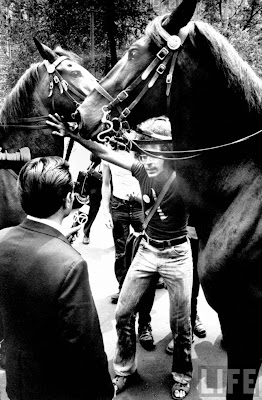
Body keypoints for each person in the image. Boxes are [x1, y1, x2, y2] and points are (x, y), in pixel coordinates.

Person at [47, 114, 193, 400]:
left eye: (156, 154)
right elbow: (104, 152)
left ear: (170, 154)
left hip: (178, 254)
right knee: (123, 312)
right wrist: (72, 135)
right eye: (144, 152)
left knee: (181, 323)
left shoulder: (185, 176)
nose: (148, 160)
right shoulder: (140, 170)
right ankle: (124, 370)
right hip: (147, 249)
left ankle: (181, 375)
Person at [0, 156, 114, 400]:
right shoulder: (71, 264)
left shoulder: (1, 239)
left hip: (18, 380)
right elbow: (85, 342)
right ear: (68, 200)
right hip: (56, 387)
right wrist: (103, 391)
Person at [166, 225, 206, 354]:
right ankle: (186, 331)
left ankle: (229, 333)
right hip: (185, 236)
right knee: (188, 286)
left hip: (213, 233)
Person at [72, 153, 102, 244]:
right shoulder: (96, 162)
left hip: (97, 191)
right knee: (87, 210)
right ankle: (76, 230)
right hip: (91, 190)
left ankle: (84, 231)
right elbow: (92, 159)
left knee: (91, 211)